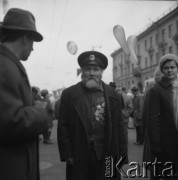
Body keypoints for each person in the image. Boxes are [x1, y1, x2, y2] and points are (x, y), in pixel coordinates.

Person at [57, 51, 127, 180]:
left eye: (96, 69)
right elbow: (63, 127)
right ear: (82, 71)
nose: (92, 73)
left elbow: (119, 127)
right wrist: (67, 154)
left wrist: (122, 155)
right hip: (79, 155)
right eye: (87, 69)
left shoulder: (112, 94)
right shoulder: (69, 94)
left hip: (107, 153)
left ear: (101, 72)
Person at [0, 8, 51, 180]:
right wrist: (40, 111)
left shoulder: (8, 63)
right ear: (24, 37)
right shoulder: (3, 66)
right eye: (32, 42)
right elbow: (8, 123)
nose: (33, 49)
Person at [146, 54, 178, 180]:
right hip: (167, 142)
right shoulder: (157, 90)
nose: (169, 70)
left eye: (172, 67)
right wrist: (156, 144)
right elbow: (152, 119)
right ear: (162, 70)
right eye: (166, 68)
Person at [118, 87, 133, 154]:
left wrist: (126, 114)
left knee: (124, 131)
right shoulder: (116, 96)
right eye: (117, 90)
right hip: (118, 118)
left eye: (119, 90)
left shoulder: (127, 97)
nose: (118, 91)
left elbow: (131, 108)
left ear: (123, 90)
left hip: (124, 118)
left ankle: (124, 146)